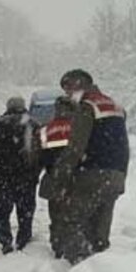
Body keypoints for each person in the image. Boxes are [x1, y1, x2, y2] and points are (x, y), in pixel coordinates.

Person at [50, 69, 129, 263]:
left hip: (92, 174)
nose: (68, 95)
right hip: (116, 175)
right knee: (101, 228)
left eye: (68, 89)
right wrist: (122, 175)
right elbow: (124, 145)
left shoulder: (87, 106)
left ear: (78, 85)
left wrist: (60, 176)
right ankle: (101, 266)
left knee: (72, 222)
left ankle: (80, 268)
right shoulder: (116, 106)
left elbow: (76, 147)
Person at [0, 96, 41, 254]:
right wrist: (36, 171)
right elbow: (39, 151)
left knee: (2, 211)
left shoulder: (2, 123)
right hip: (27, 176)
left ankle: (5, 240)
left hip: (5, 175)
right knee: (26, 210)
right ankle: (23, 239)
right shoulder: (34, 123)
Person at [37, 94, 78, 259]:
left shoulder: (46, 129)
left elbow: (41, 156)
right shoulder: (78, 128)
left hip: (53, 176)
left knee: (55, 213)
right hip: (74, 176)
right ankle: (72, 245)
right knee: (73, 212)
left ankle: (57, 244)